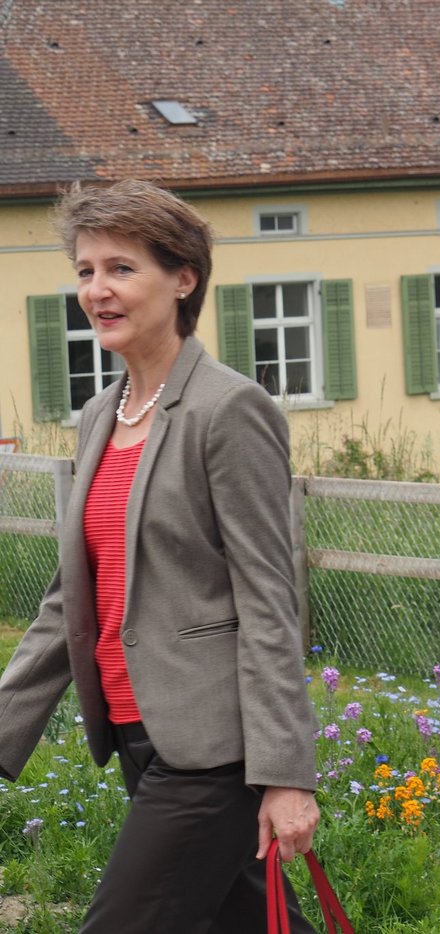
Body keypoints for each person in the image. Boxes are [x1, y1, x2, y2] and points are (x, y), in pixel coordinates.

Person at [0, 179, 321, 931]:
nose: (97, 290)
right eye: (85, 270)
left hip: (212, 755)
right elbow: (69, 602)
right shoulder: (98, 416)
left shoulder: (227, 409)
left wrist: (284, 777)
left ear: (183, 279)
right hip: (137, 735)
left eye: (120, 268)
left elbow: (268, 600)